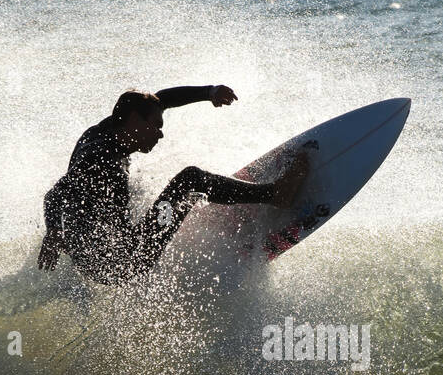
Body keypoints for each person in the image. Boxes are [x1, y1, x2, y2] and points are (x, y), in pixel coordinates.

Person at [37, 85, 307, 284]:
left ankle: (196, 203)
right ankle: (276, 193)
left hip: (100, 254)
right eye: (155, 125)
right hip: (121, 260)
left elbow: (162, 99)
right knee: (190, 180)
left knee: (179, 196)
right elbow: (55, 193)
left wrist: (209, 92)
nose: (161, 133)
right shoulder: (101, 159)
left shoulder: (110, 129)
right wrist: (53, 232)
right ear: (134, 120)